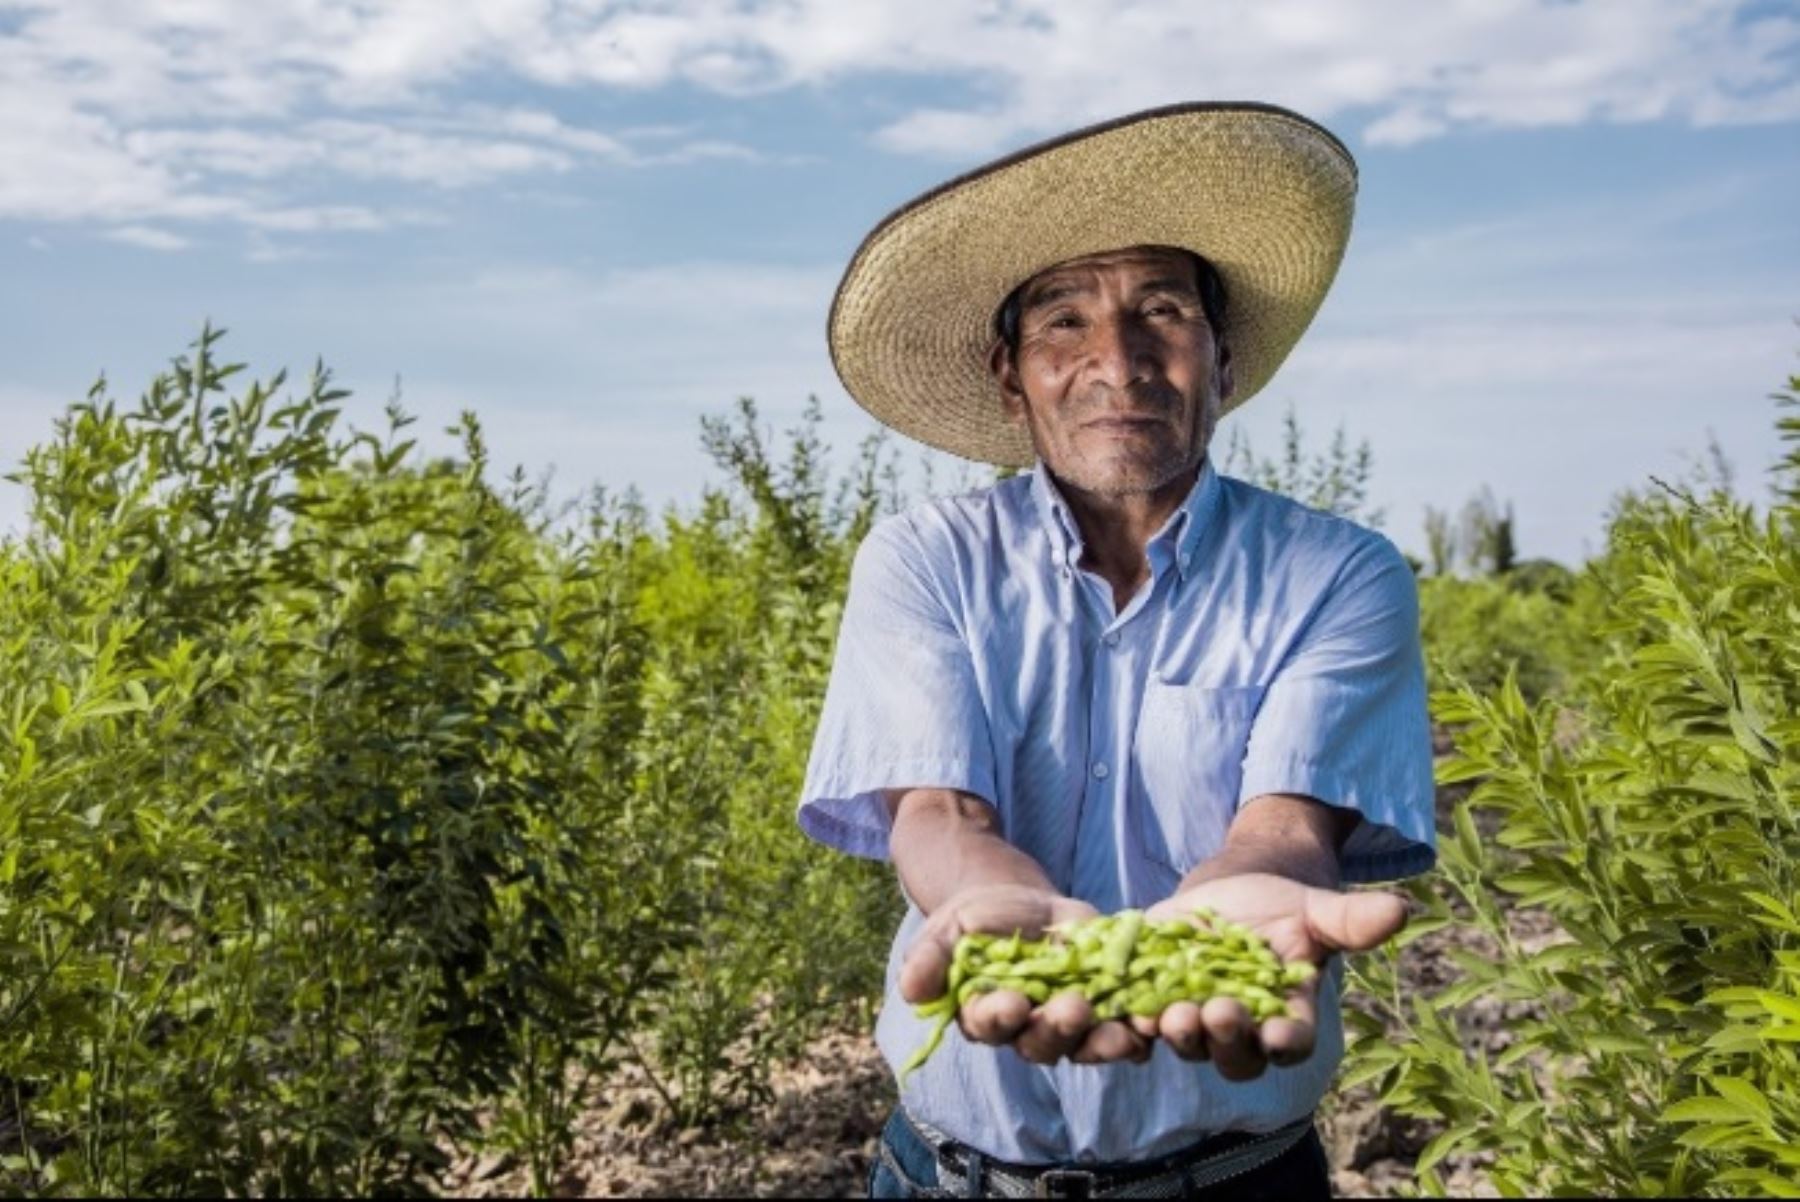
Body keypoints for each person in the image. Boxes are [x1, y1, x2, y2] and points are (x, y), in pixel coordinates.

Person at [799, 102, 1436, 1199]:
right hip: (948, 1176)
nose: (1119, 360)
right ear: (1011, 375)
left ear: (1222, 360)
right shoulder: (926, 559)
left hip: (1236, 1180)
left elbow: (1286, 827)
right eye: (1064, 321)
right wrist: (988, 902)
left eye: (1163, 311)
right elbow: (938, 814)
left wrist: (1253, 895)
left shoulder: (1338, 573)